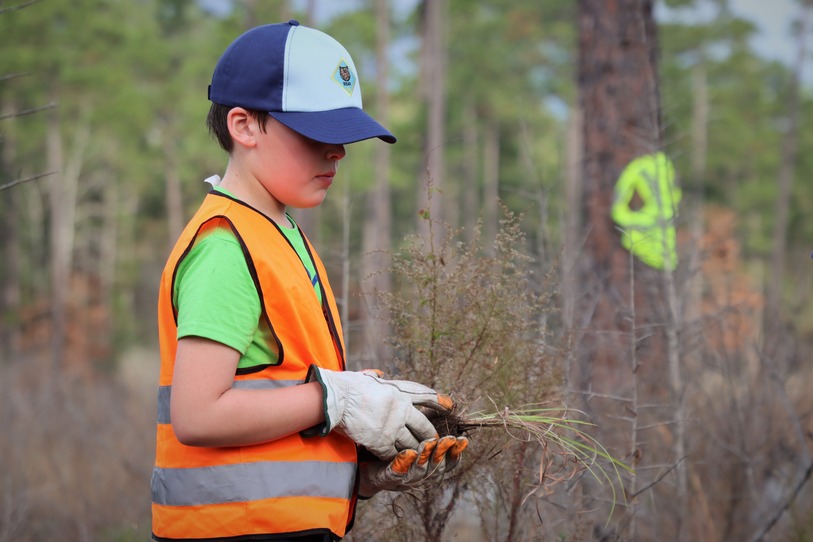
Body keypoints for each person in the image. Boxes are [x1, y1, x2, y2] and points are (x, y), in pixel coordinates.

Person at [151, 20, 468, 542]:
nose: (337, 152)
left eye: (343, 136)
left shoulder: (280, 235)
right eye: (316, 132)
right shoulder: (227, 249)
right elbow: (198, 415)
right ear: (244, 125)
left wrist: (355, 468)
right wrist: (337, 400)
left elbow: (274, 405)